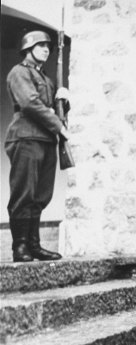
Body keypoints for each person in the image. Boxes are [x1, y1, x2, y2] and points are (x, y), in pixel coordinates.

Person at [5, 30, 71, 263]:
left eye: (48, 46)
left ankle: (34, 245)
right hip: (25, 138)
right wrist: (58, 125)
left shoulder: (47, 80)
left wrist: (63, 100)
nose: (46, 49)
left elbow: (53, 110)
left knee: (41, 195)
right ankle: (20, 246)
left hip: (45, 140)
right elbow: (31, 104)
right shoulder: (19, 73)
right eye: (41, 45)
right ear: (28, 49)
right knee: (24, 193)